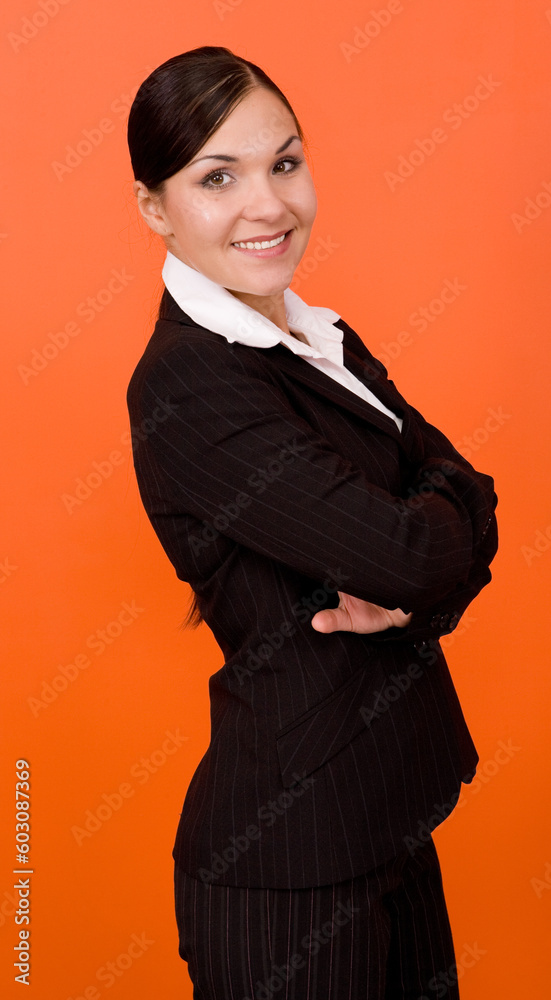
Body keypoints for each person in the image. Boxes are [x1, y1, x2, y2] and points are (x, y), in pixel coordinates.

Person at [126, 45, 498, 1000]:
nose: (269, 205)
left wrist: (420, 568)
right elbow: (417, 546)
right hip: (287, 864)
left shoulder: (318, 336)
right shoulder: (186, 382)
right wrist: (425, 550)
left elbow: (470, 489)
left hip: (389, 816)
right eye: (219, 177)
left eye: (283, 162)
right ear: (155, 210)